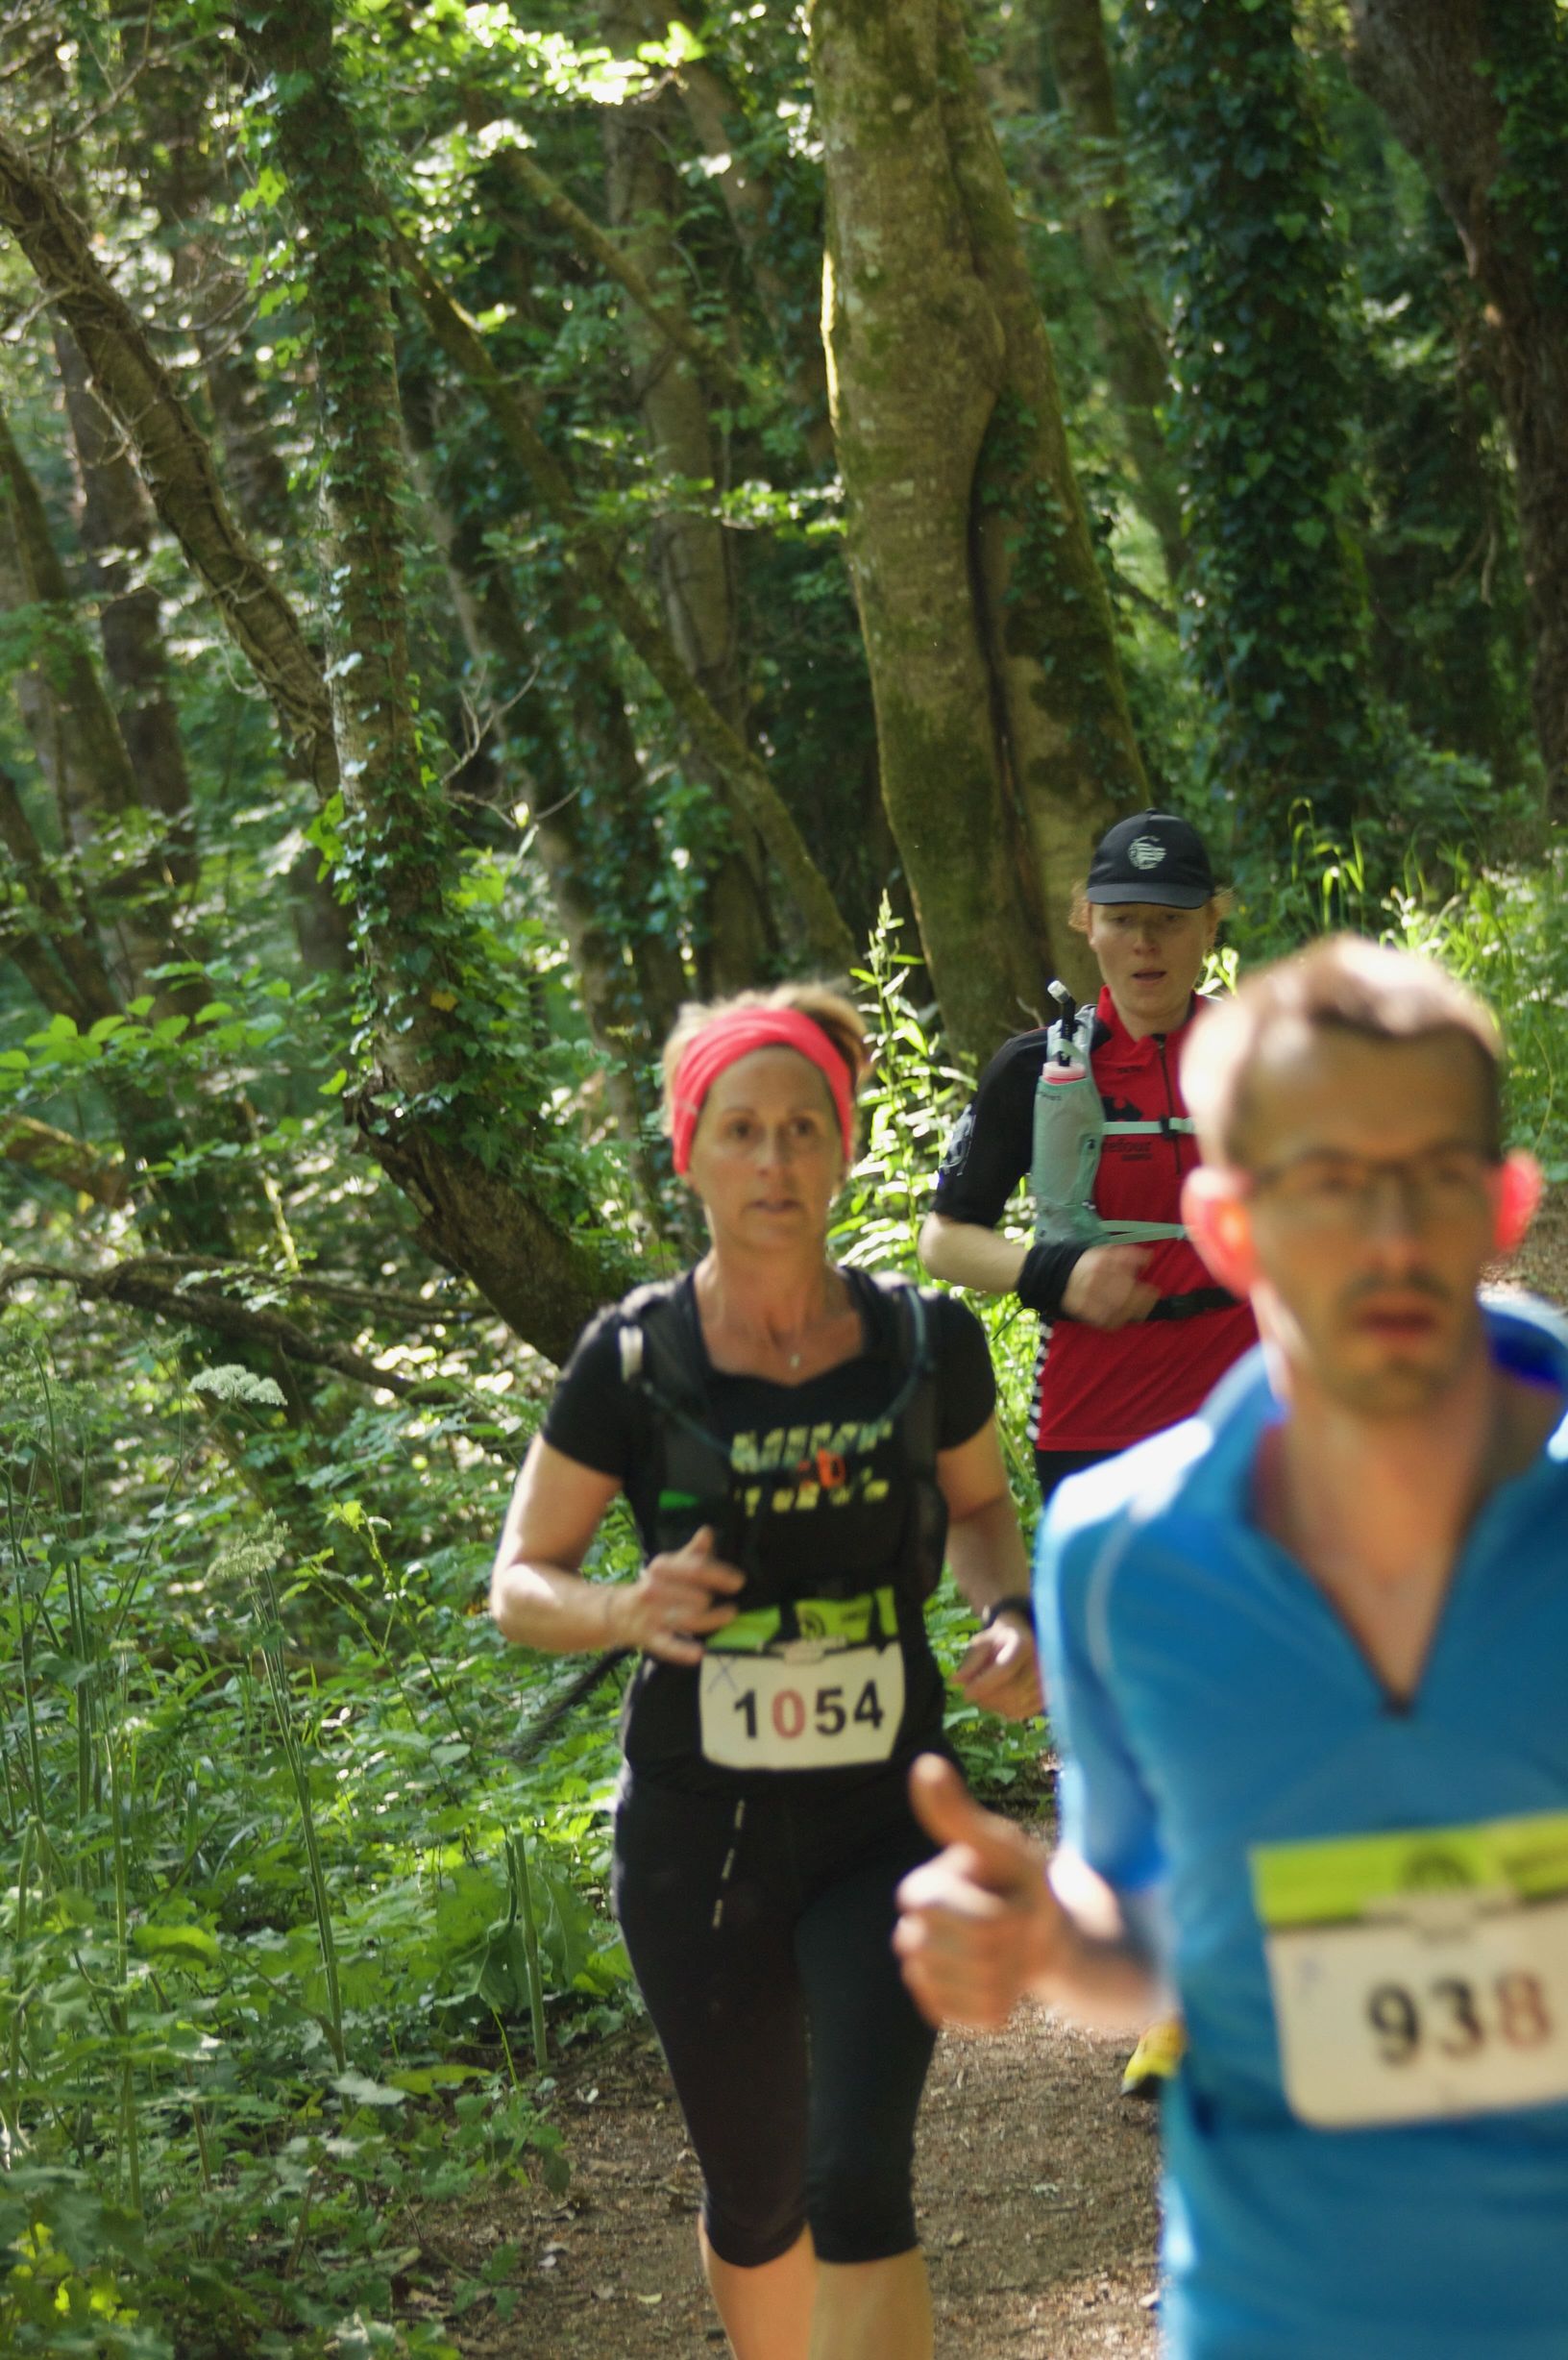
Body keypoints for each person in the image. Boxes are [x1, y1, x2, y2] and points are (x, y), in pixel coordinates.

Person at [895, 935, 1568, 2359]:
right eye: (1326, 1183)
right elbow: (1145, 1936)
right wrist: (1044, 1935)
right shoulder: (1126, 1557)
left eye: (1431, 1177)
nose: (1387, 1238)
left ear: (1504, 1204)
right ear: (1227, 1225)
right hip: (1276, 2315)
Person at [490, 982, 1041, 2360]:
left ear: (844, 1147)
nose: (775, 1161)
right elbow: (522, 1582)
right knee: (758, 2198)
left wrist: (1011, 1614)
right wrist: (623, 1606)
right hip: (700, 1836)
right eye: (741, 1130)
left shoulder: (925, 1343)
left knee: (856, 2181)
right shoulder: (633, 1360)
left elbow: (979, 1507)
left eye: (804, 1129)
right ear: (691, 1153)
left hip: (883, 1819)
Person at [919, 807, 1257, 2097]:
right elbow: (946, 1237)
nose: (1146, 943)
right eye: (1123, 919)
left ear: (1212, 923)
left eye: (1170, 920)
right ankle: (1171, 1984)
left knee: (1234, 1697)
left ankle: (1219, 1984)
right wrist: (1054, 1275)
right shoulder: (1038, 1069)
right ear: (1086, 923)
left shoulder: (1260, 1056)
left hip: (1241, 1416)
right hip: (1095, 1433)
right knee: (1123, 1714)